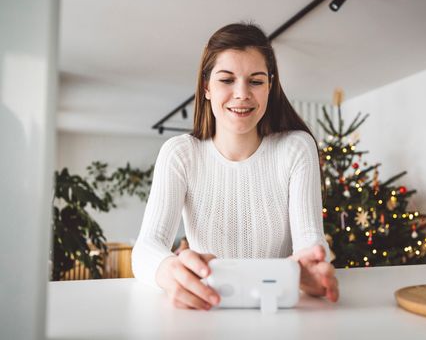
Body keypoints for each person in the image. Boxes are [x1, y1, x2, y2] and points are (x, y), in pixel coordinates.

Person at [132, 23, 339, 310]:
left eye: (255, 81)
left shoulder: (296, 148)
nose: (242, 93)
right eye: (226, 80)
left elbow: (311, 243)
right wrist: (168, 271)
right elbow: (145, 249)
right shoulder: (180, 154)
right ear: (206, 87)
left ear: (270, 86)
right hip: (207, 312)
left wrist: (312, 269)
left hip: (277, 312)